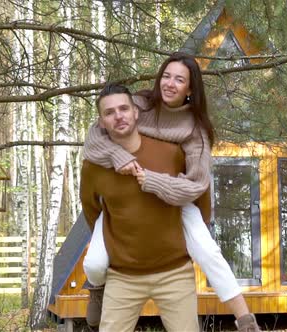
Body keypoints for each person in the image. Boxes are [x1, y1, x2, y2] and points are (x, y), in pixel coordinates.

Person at [82, 52, 260, 331]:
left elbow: (197, 185)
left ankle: (245, 319)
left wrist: (154, 181)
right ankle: (97, 288)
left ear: (190, 89)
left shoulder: (194, 129)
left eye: (179, 79)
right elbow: (94, 137)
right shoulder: (138, 103)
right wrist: (116, 156)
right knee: (93, 262)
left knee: (208, 252)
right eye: (166, 75)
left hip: (176, 197)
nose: (169, 84)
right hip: (123, 212)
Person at [80, 84, 199, 331]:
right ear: (101, 122)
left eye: (124, 108)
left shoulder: (170, 152)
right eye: (110, 112)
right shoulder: (93, 167)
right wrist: (112, 244)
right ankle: (97, 288)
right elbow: (91, 209)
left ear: (136, 112)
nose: (119, 116)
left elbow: (195, 193)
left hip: (175, 271)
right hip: (123, 275)